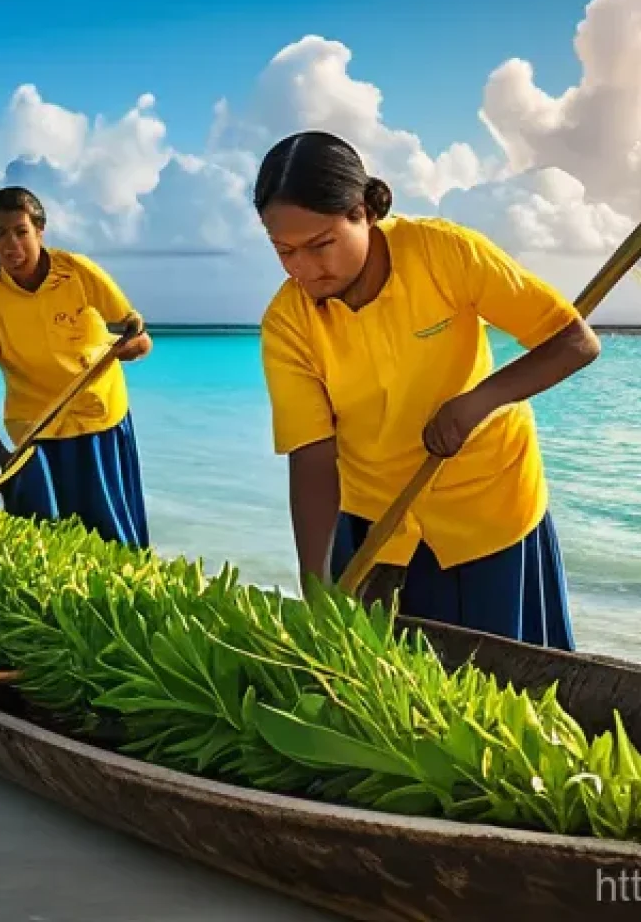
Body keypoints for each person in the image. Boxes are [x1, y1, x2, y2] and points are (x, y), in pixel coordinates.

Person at [255, 131, 601, 650]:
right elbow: (311, 453)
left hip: (490, 503)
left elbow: (574, 342)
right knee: (390, 688)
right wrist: (315, 582)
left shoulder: (446, 253)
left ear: (364, 212)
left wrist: (477, 403)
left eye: (319, 245)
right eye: (284, 251)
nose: (302, 269)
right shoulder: (287, 323)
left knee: (510, 684)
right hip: (376, 523)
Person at [0, 185, 152, 548]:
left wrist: (131, 346)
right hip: (34, 432)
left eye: (21, 232)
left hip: (100, 418)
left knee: (112, 538)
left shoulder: (78, 272)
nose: (10, 244)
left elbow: (138, 335)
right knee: (40, 541)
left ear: (40, 231)